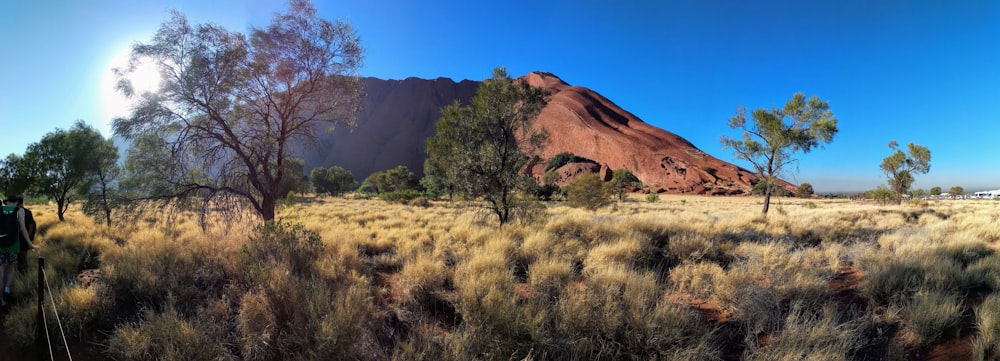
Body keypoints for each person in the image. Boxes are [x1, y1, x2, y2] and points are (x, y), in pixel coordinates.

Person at [0, 194, 36, 307]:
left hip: (0, 245)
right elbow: (23, 228)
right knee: (11, 269)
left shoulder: (0, 209)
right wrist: (30, 243)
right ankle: (7, 291)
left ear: (7, 202)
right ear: (16, 202)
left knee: (0, 273)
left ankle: (2, 301)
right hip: (13, 245)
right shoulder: (20, 211)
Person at [13, 195, 36, 274]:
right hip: (17, 239)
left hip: (22, 239)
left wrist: (28, 239)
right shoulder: (20, 211)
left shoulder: (26, 212)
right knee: (18, 258)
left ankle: (23, 274)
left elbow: (31, 226)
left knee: (22, 257)